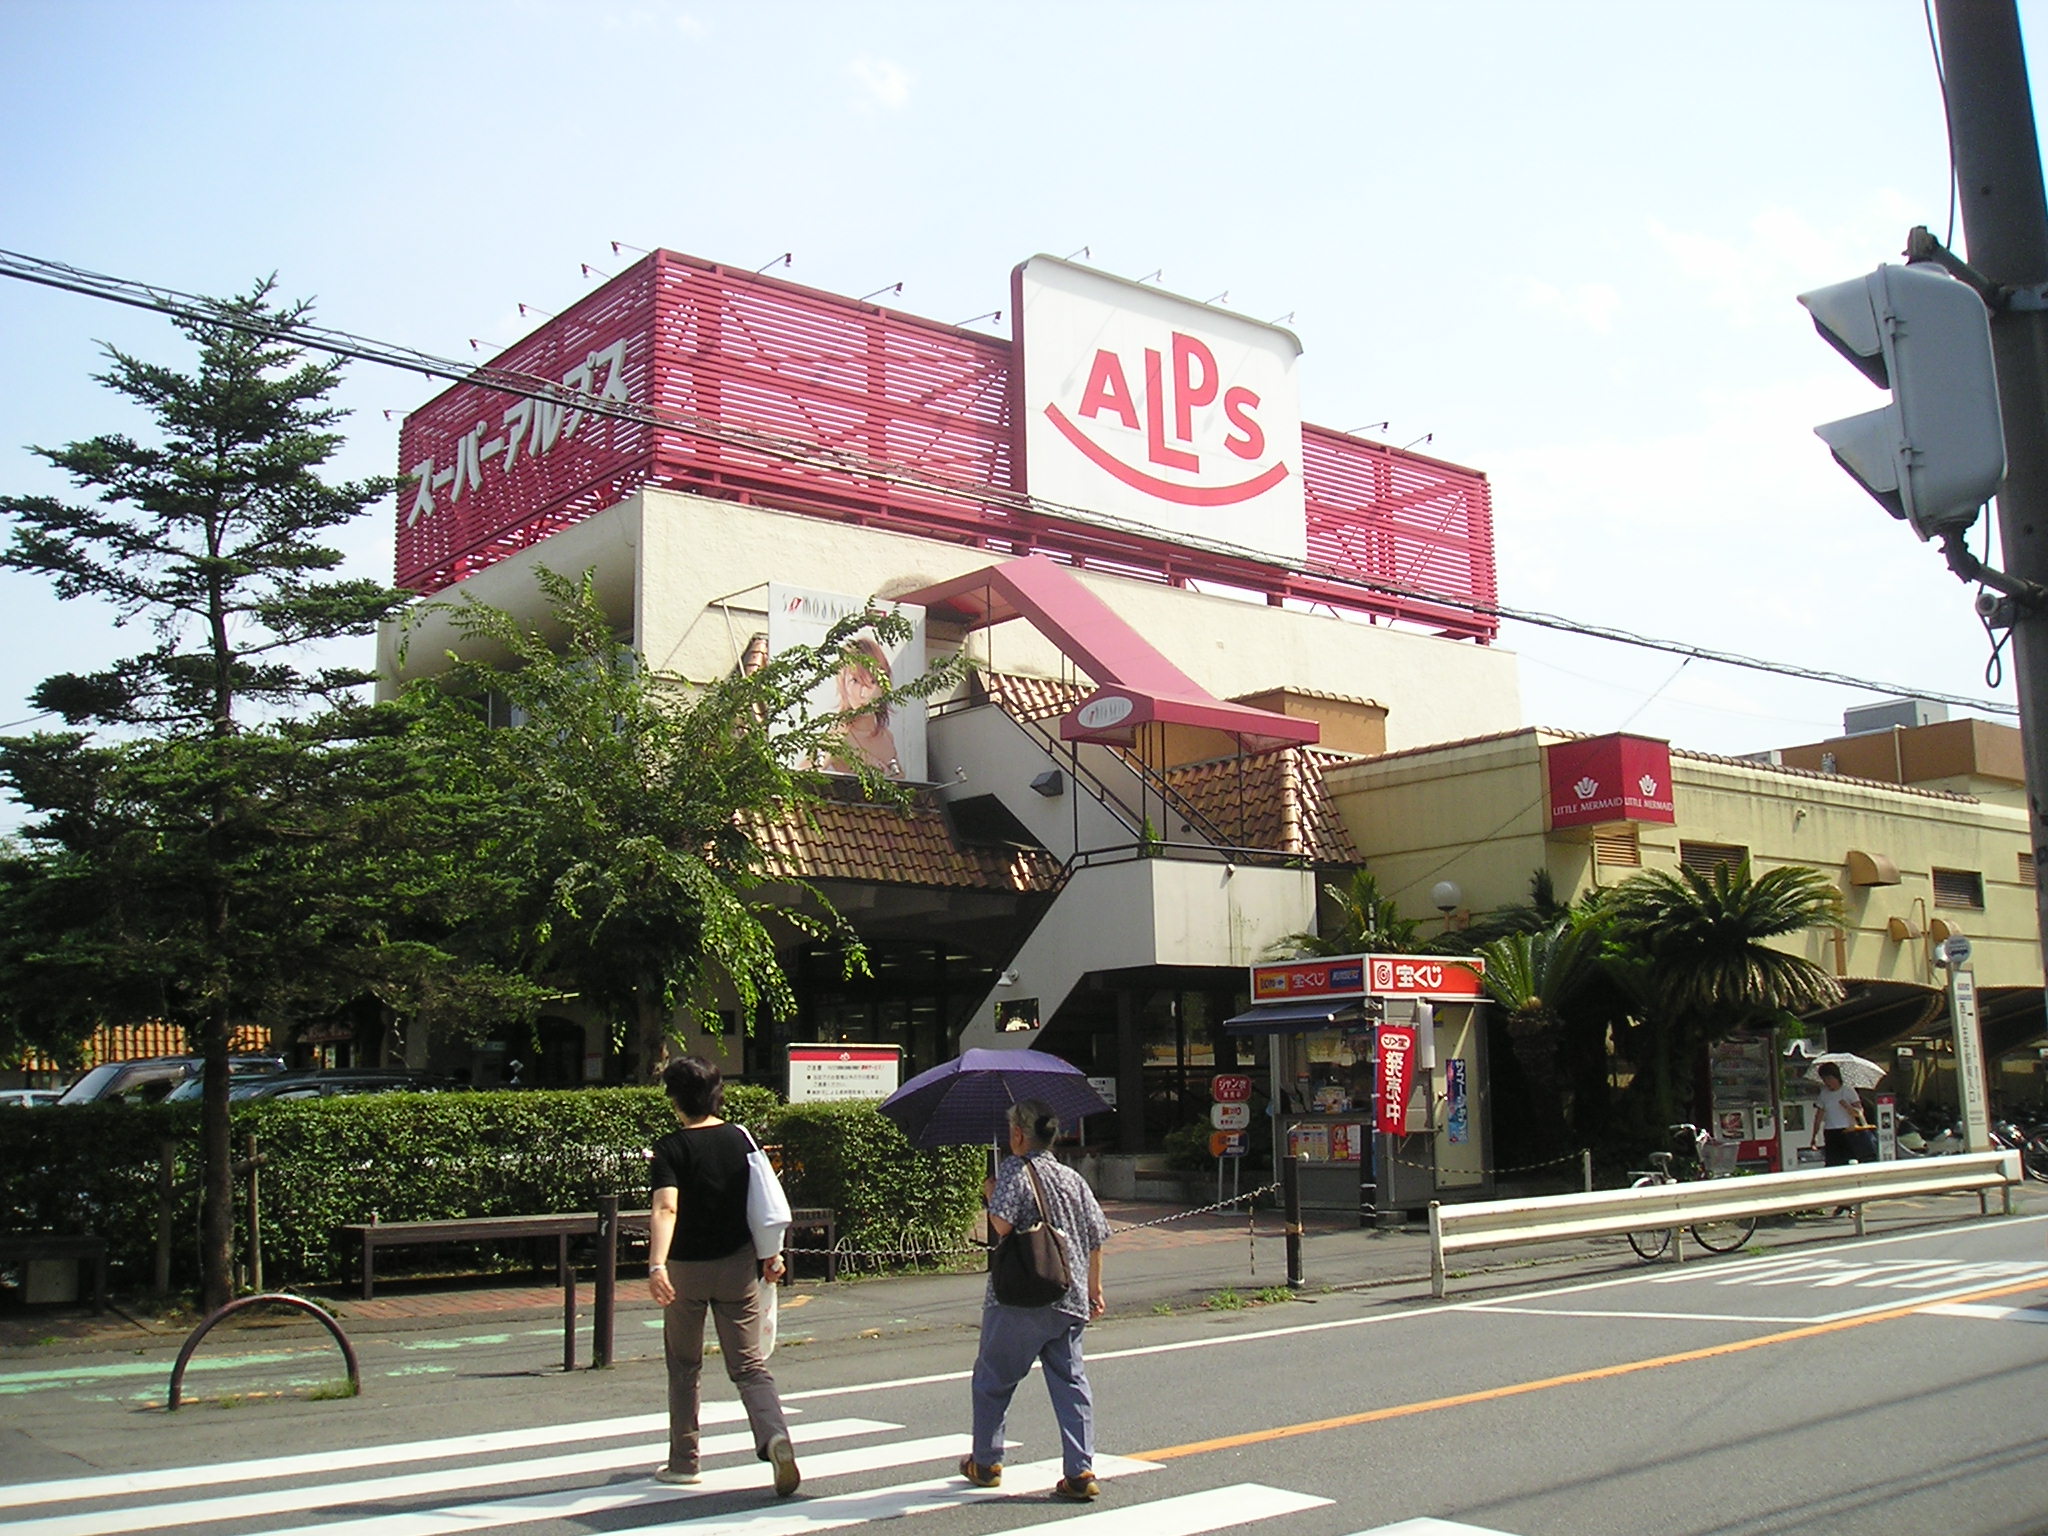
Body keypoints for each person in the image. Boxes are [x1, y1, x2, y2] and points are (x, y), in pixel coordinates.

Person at [646, 1056, 800, 1497]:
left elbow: (666, 1207)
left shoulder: (670, 1147)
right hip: (738, 1266)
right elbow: (765, 1203)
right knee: (750, 1366)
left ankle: (684, 1461)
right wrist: (771, 1255)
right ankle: (775, 1438)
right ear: (716, 1094)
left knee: (684, 1365)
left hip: (685, 1271)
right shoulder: (741, 1139)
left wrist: (657, 1264)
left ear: (675, 1098)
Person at [961, 1100, 1111, 1503]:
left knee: (994, 1378)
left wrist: (991, 1194)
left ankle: (987, 1461)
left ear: (1017, 1134)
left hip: (1019, 1297)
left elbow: (1001, 1224)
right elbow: (1097, 1236)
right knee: (1071, 1381)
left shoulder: (1013, 1170)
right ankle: (1080, 1470)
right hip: (1070, 1294)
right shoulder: (1070, 1177)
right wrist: (1095, 1289)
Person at [823, 634, 901, 777]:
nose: (864, 694)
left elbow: (901, 785)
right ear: (842, 683)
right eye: (856, 681)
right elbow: (804, 773)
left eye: (873, 682)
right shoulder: (838, 737)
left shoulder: (887, 737)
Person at [1809, 1062, 1873, 1166]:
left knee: (1849, 1161)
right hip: (1830, 1131)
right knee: (1833, 1162)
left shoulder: (1848, 1091)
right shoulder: (1824, 1094)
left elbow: (1859, 1113)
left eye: (1829, 1079)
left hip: (1848, 1131)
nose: (1827, 1082)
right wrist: (1814, 1136)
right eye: (1824, 1080)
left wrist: (1847, 1106)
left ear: (1836, 1077)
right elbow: (1818, 1117)